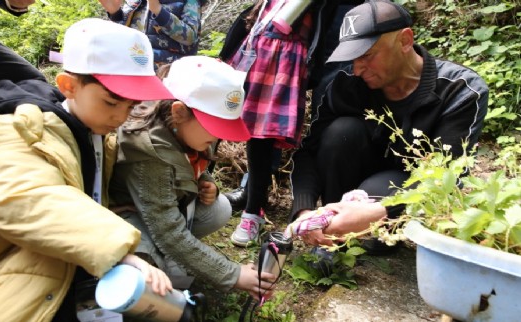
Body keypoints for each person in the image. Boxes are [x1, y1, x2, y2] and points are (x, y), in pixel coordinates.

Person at [0, 18, 175, 321]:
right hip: (18, 263)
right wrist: (120, 250)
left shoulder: (95, 133)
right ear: (69, 86)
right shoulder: (23, 127)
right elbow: (30, 196)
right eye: (111, 102)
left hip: (69, 260)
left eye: (131, 106)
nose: (121, 116)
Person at [290, 0, 489, 251]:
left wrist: (380, 210)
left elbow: (449, 178)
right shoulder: (345, 85)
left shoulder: (460, 90)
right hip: (349, 185)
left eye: (366, 56)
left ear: (405, 40)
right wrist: (305, 210)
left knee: (373, 234)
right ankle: (333, 226)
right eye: (351, 58)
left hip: (405, 190)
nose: (357, 68)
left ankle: (359, 232)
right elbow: (310, 151)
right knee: (342, 132)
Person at [108, 55, 276, 300]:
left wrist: (206, 182)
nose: (220, 137)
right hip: (128, 216)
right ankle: (157, 258)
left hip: (161, 209)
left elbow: (190, 162)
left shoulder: (181, 129)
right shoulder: (149, 153)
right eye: (214, 127)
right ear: (179, 112)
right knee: (152, 271)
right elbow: (168, 232)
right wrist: (233, 274)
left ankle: (174, 256)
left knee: (219, 208)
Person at [220, 0, 363, 216]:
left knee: (327, 104)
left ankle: (327, 203)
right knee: (269, 111)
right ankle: (254, 190)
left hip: (343, 13)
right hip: (286, 22)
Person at [99, 0, 203, 67]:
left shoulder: (189, 1)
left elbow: (190, 37)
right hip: (135, 66)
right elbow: (124, 36)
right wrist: (115, 13)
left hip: (168, 72)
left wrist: (158, 10)